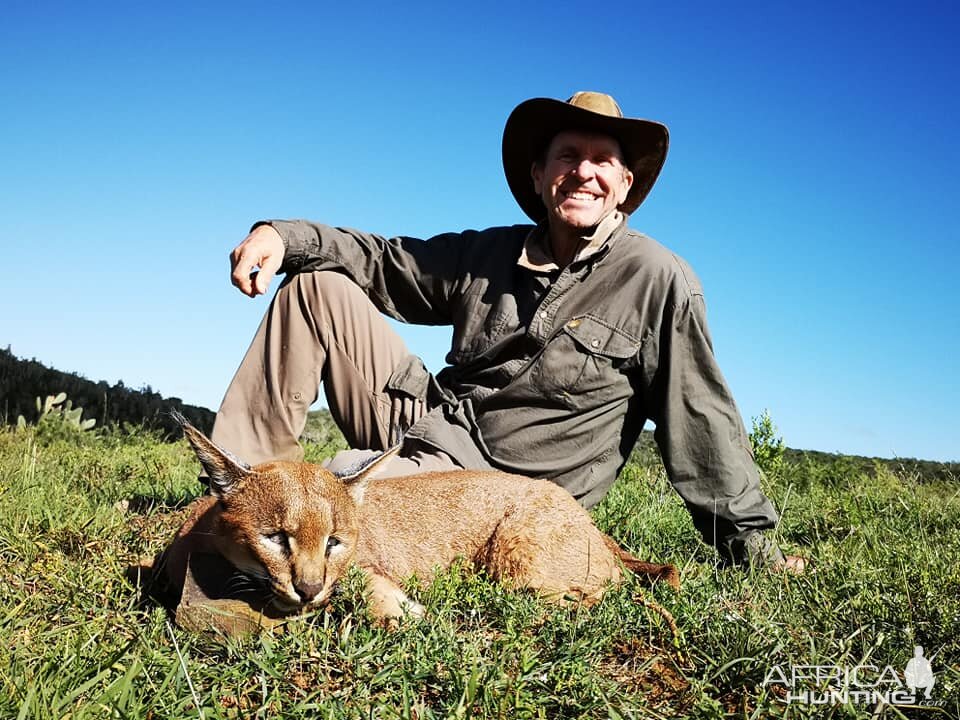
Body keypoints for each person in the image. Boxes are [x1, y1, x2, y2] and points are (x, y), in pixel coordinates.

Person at [214, 91, 804, 571]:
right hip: (429, 424)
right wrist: (282, 237)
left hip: (501, 493)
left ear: (625, 185)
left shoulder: (658, 278)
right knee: (317, 286)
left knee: (345, 503)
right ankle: (239, 494)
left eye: (603, 161)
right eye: (568, 155)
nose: (584, 173)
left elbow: (698, 413)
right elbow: (384, 261)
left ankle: (279, 547)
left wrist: (750, 544)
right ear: (539, 174)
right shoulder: (489, 251)